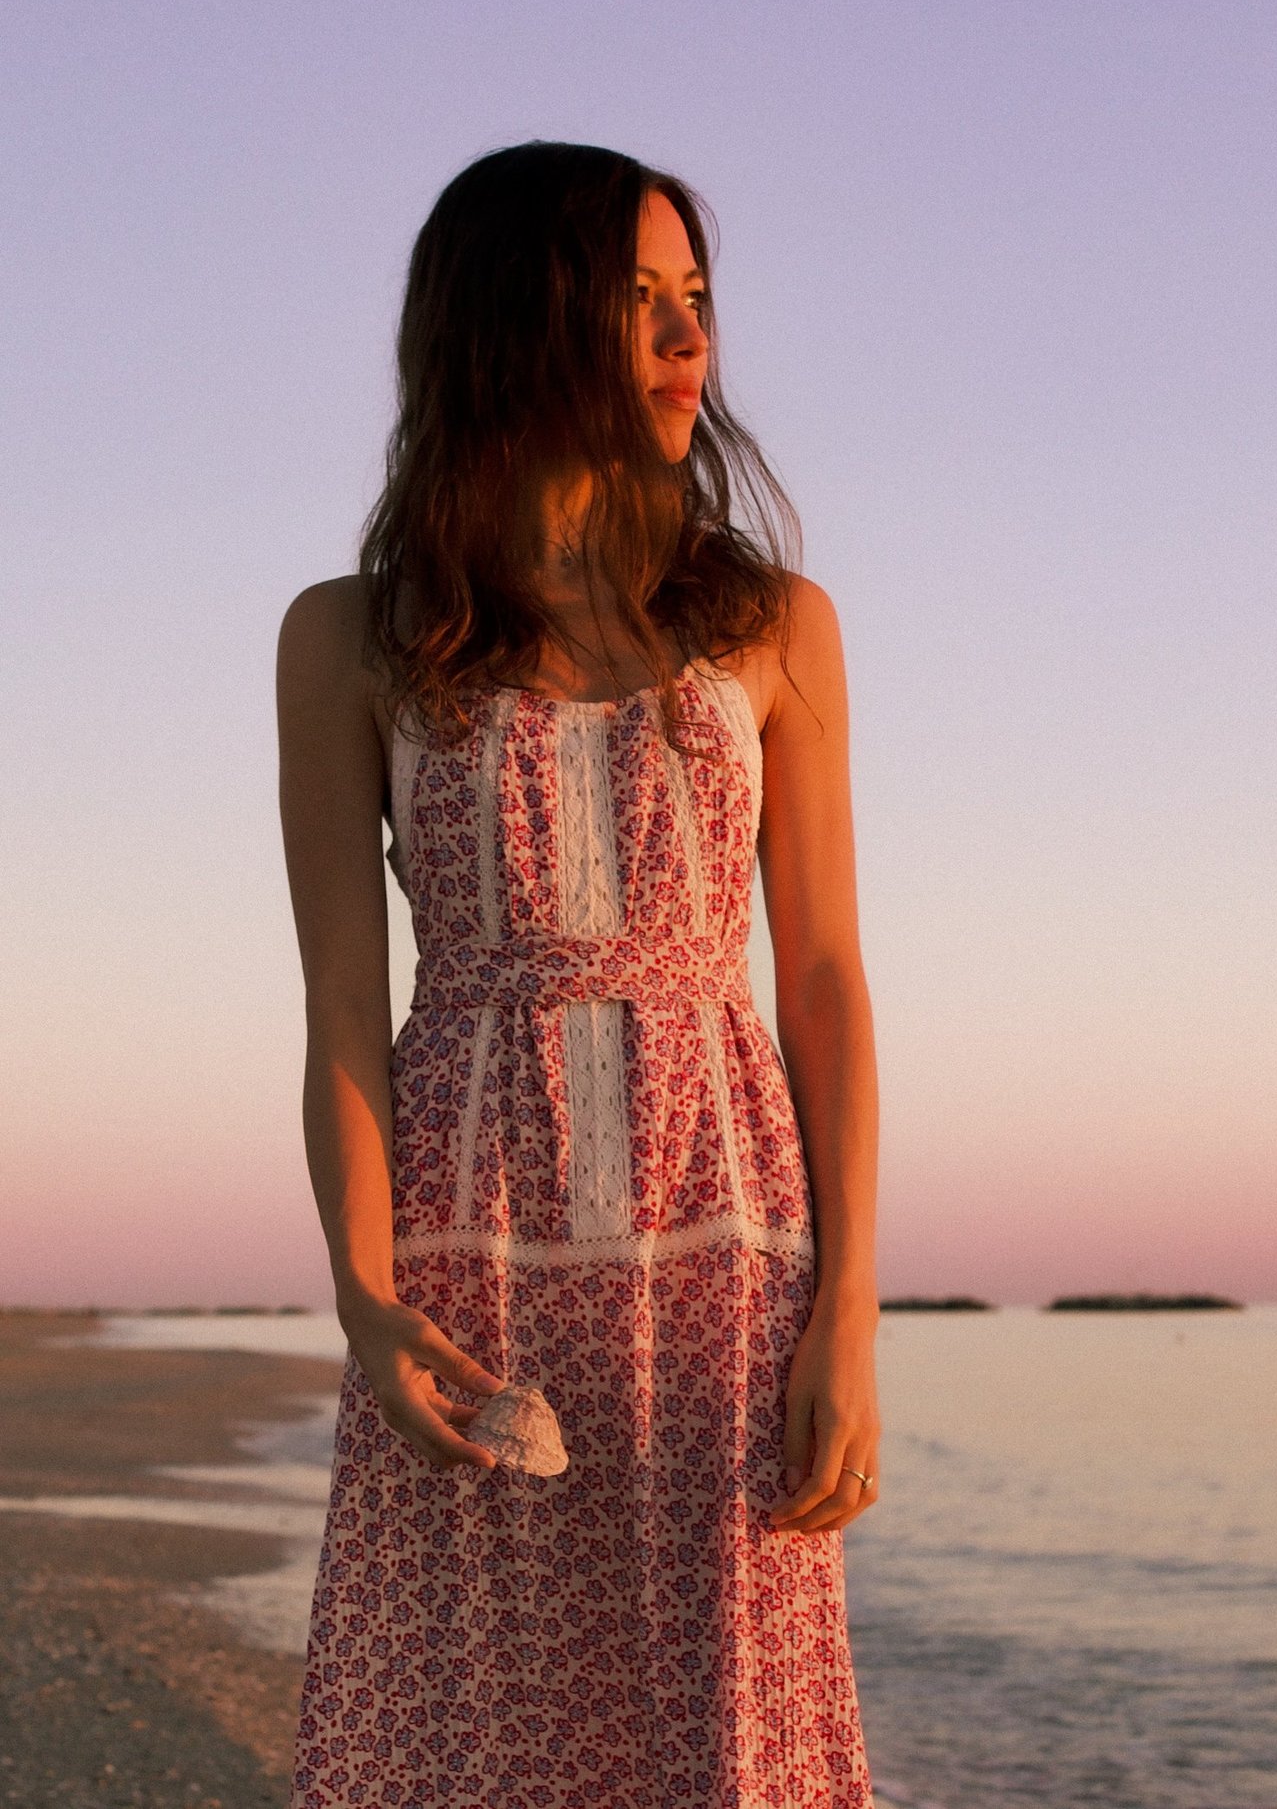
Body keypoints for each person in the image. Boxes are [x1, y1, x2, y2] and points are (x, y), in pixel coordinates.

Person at [275, 141, 879, 1807]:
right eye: (642, 303)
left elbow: (820, 977)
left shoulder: (777, 624)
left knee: (721, 1742)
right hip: (470, 1262)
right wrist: (366, 1295)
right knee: (461, 1737)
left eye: (701, 301)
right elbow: (341, 1000)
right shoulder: (350, 635)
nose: (692, 343)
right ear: (518, 324)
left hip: (726, 1262)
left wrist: (850, 1312)